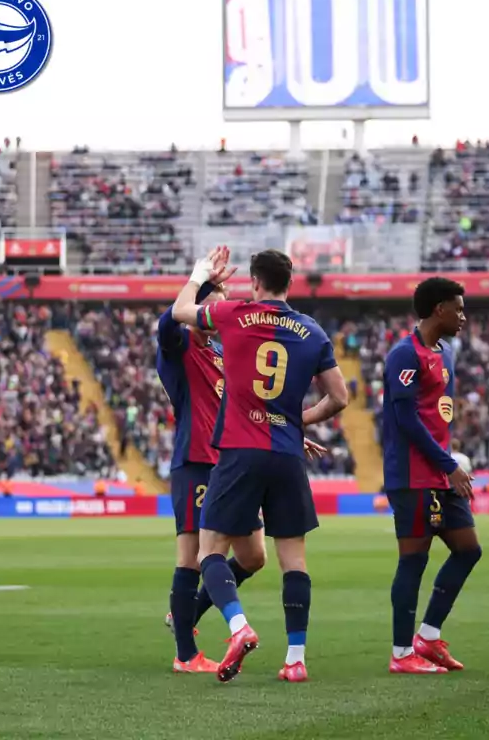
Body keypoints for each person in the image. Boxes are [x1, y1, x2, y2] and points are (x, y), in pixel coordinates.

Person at [170, 246, 349, 683]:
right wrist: (294, 420)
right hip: (287, 454)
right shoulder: (312, 332)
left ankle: (238, 625)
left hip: (238, 450)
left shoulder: (234, 314)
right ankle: (295, 659)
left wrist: (198, 274)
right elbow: (340, 397)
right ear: (290, 283)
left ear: (254, 282)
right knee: (294, 560)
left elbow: (180, 311)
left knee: (209, 549)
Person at [156, 275, 268, 674]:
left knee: (254, 556)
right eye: (211, 307)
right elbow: (167, 324)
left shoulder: (222, 352)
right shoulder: (180, 346)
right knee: (193, 556)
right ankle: (186, 655)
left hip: (234, 463)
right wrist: (197, 276)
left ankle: (183, 615)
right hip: (197, 462)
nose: (217, 314)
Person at [380, 278, 481, 675]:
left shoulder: (447, 351)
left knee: (468, 549)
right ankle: (402, 652)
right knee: (413, 560)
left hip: (440, 471)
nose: (462, 316)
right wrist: (448, 464)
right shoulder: (404, 355)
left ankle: (428, 634)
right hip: (413, 474)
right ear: (438, 309)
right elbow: (406, 420)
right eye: (457, 308)